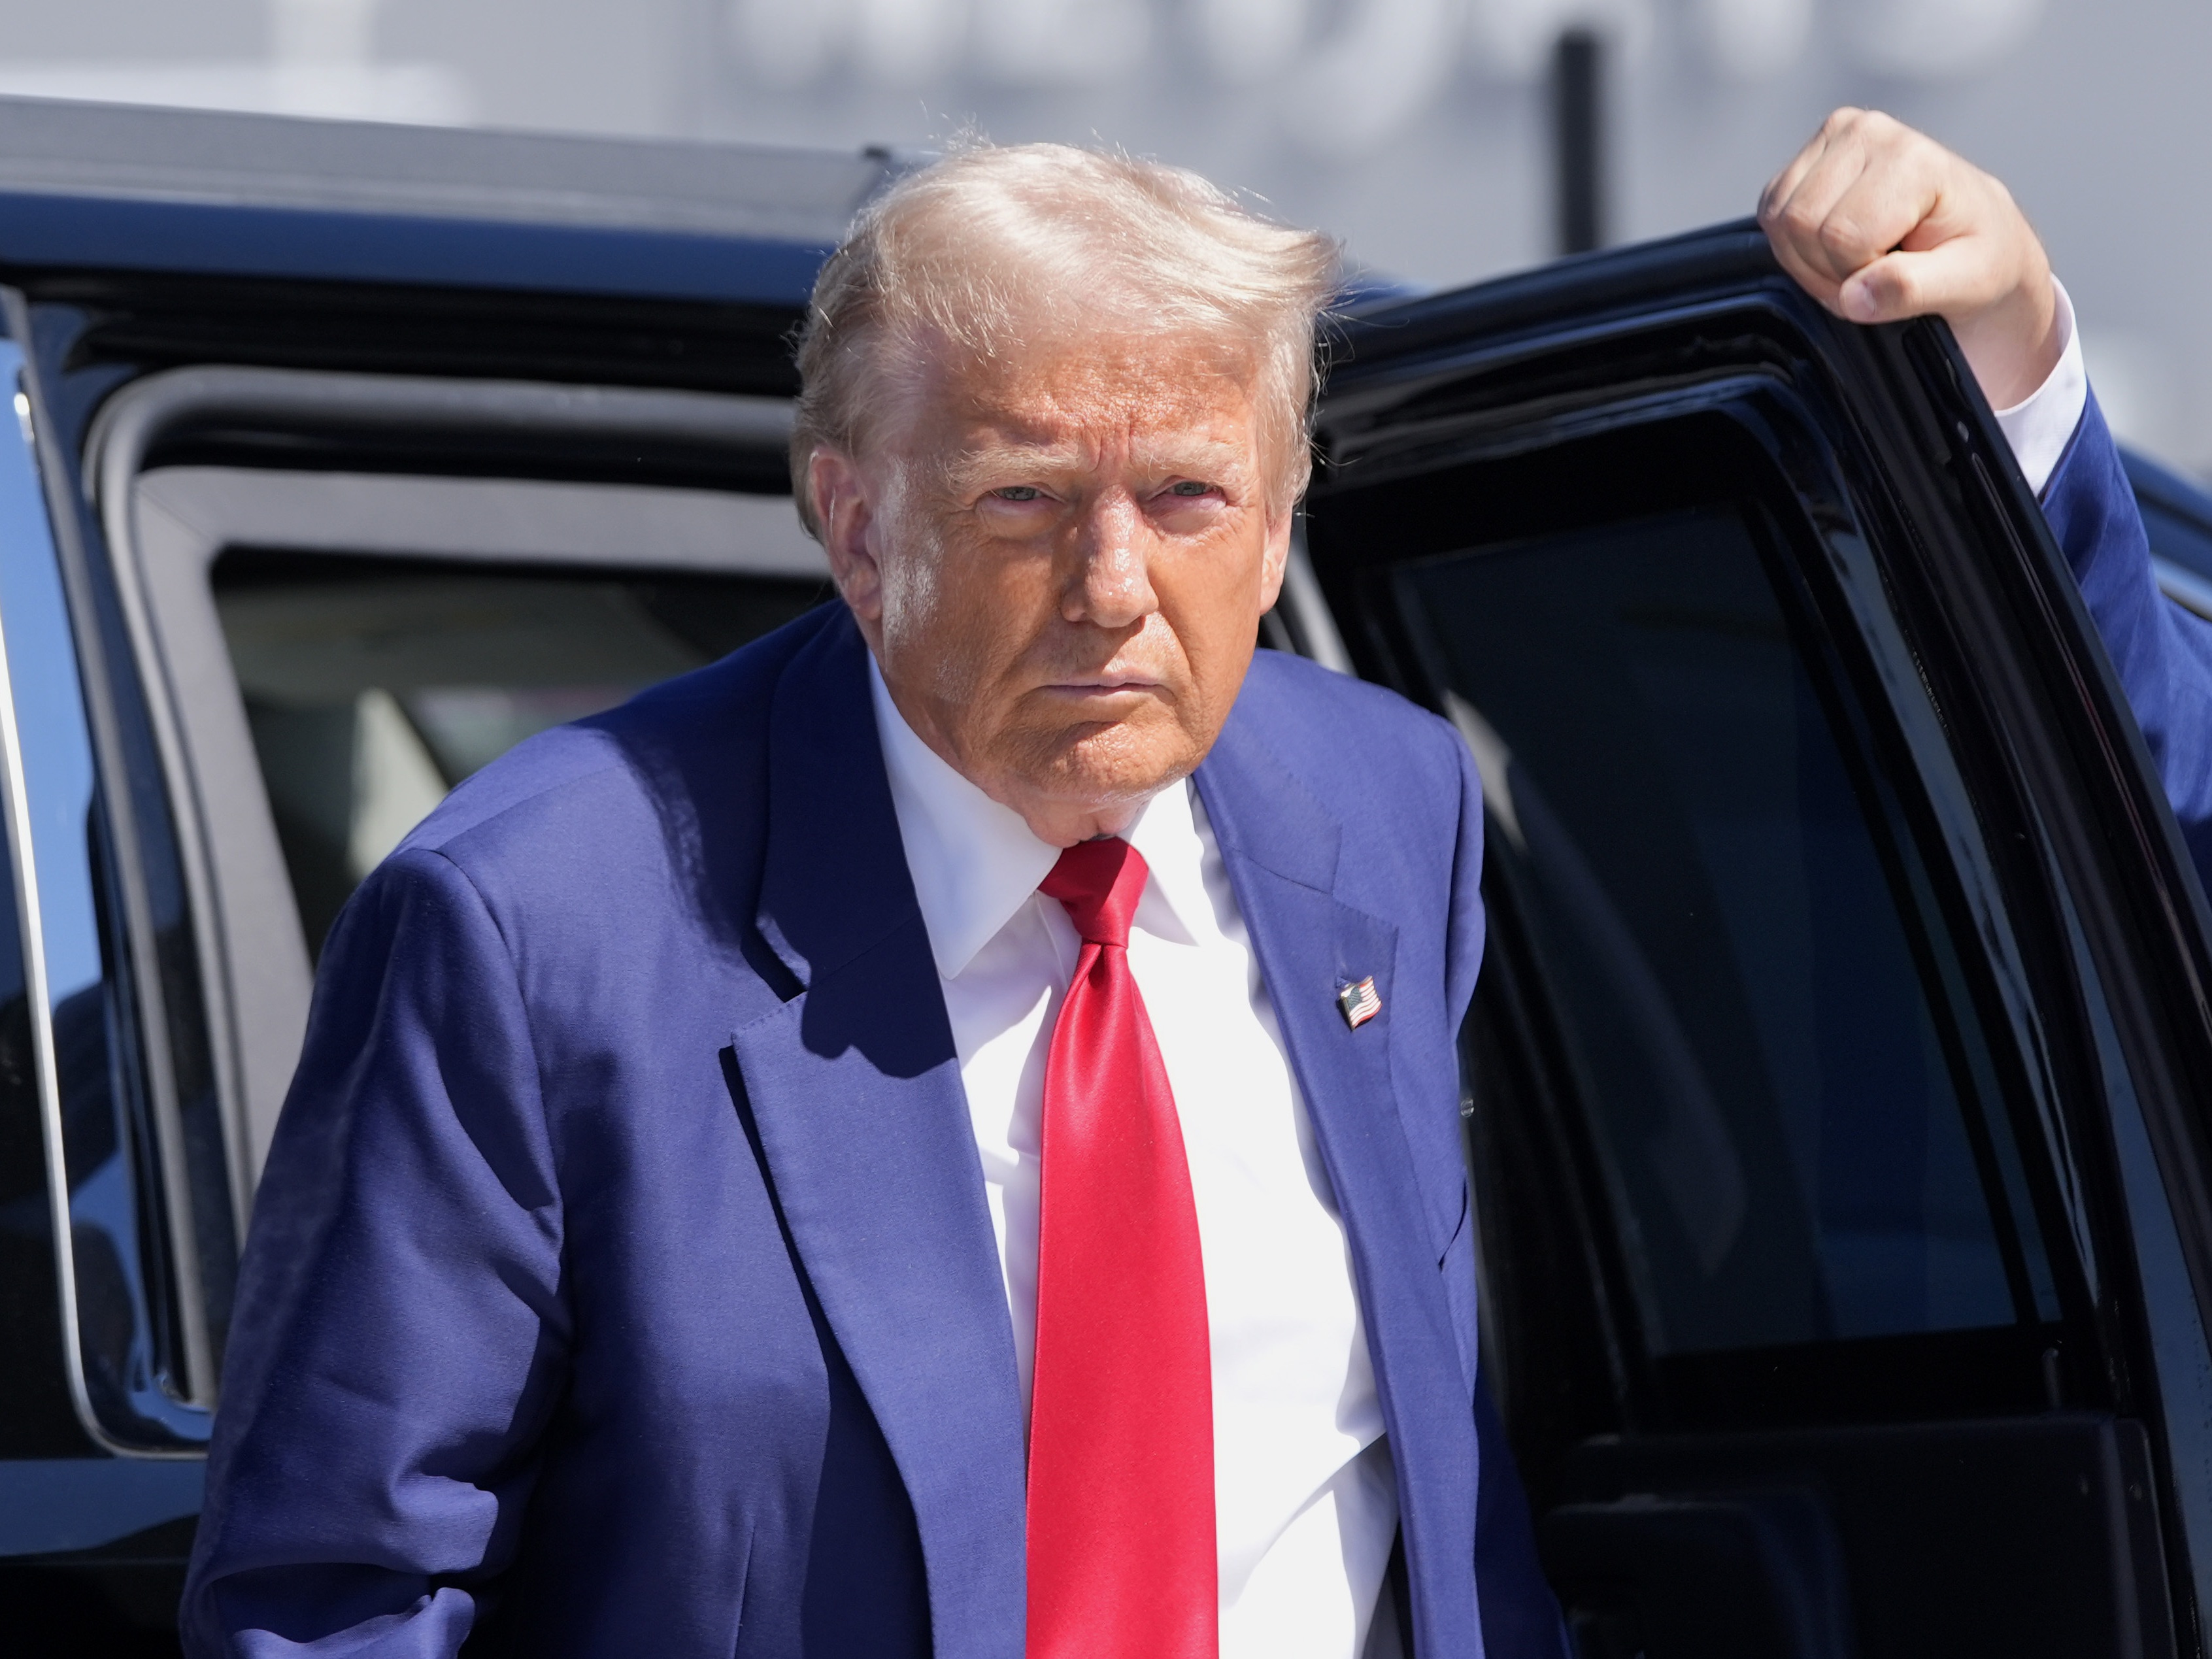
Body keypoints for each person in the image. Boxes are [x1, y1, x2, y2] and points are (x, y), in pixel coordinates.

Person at [181, 110, 2132, 1658]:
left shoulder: (1388, 804)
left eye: (1188, 498)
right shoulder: (540, 920)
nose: (1117, 585)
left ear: (1281, 513)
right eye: (1024, 499)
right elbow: (335, 1599)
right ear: (856, 523)